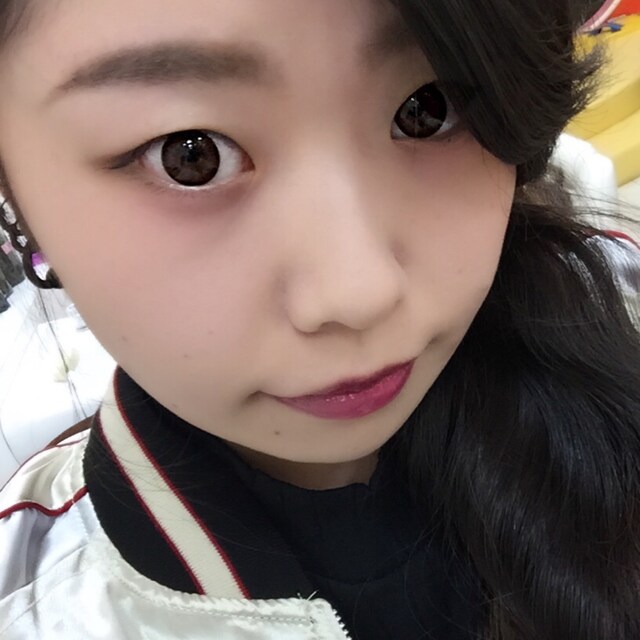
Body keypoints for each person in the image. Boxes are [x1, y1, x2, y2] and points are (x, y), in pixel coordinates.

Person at [0, 0, 638, 638]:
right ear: (15, 197)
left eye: (427, 108)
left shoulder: (621, 304)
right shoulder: (37, 604)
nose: (358, 294)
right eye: (189, 156)